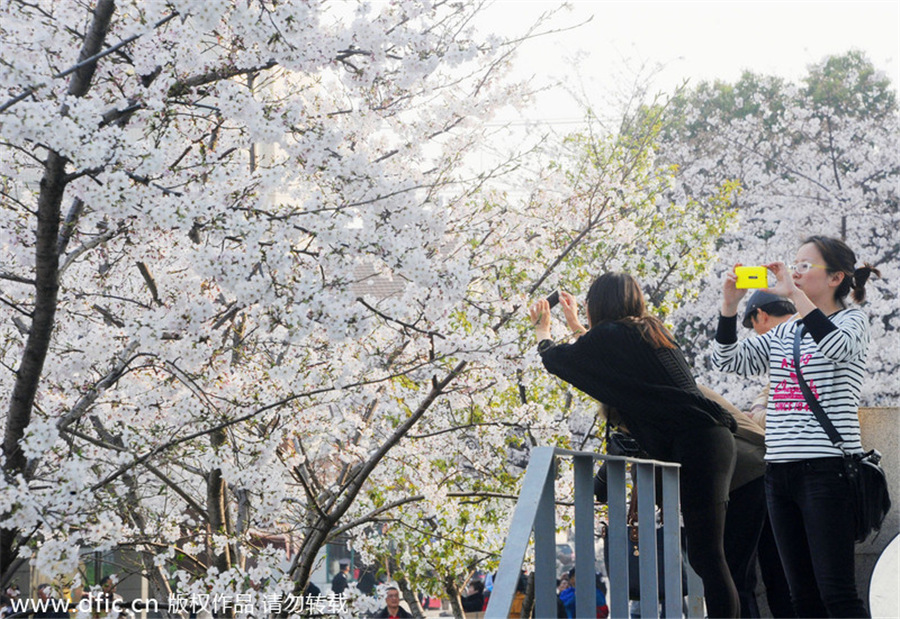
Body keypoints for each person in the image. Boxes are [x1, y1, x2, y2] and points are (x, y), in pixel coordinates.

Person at [530, 272, 740, 618]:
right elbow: (612, 367)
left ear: (598, 304)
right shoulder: (648, 330)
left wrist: (543, 331)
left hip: (697, 446)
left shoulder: (613, 335)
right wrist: (574, 325)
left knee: (708, 558)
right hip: (712, 442)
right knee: (709, 556)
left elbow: (564, 362)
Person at [712, 235, 879, 617]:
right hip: (779, 472)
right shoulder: (786, 332)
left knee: (836, 592)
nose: (796, 271)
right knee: (799, 596)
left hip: (827, 471)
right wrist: (728, 307)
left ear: (836, 277)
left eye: (806, 266)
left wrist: (794, 296)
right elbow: (730, 361)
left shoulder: (854, 320)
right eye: (795, 264)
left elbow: (835, 348)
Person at [740, 290, 797, 618]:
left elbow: (767, 414)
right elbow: (766, 398)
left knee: (790, 575)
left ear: (760, 316)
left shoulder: (801, 340)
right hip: (779, 472)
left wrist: (761, 411)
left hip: (802, 472)